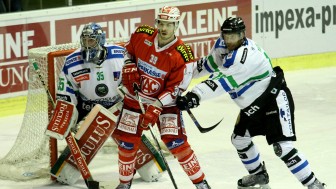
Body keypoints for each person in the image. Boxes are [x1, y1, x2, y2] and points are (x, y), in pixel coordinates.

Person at [176, 17, 326, 189]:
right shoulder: (221, 45)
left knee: (282, 147)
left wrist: (194, 96)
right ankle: (258, 175)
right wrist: (180, 73)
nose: (230, 40)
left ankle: (314, 185)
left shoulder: (245, 58)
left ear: (243, 35)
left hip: (272, 100)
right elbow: (208, 66)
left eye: (235, 36)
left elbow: (220, 82)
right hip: (252, 106)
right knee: (239, 139)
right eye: (227, 36)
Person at [112, 6, 211, 189]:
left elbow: (177, 88)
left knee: (176, 143)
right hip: (135, 98)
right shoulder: (142, 34)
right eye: (161, 23)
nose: (164, 28)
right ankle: (124, 185)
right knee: (126, 143)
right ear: (156, 22)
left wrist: (157, 105)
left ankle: (201, 183)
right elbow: (128, 50)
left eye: (169, 24)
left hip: (166, 105)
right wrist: (128, 64)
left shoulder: (183, 54)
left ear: (177, 25)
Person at [55, 22, 163, 184]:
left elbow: (141, 76)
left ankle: (146, 163)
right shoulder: (72, 61)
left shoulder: (120, 55)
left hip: (118, 106)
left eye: (91, 40)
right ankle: (71, 166)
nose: (87, 44)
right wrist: (68, 114)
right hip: (88, 110)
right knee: (65, 176)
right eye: (84, 40)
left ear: (101, 40)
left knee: (152, 173)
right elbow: (65, 92)